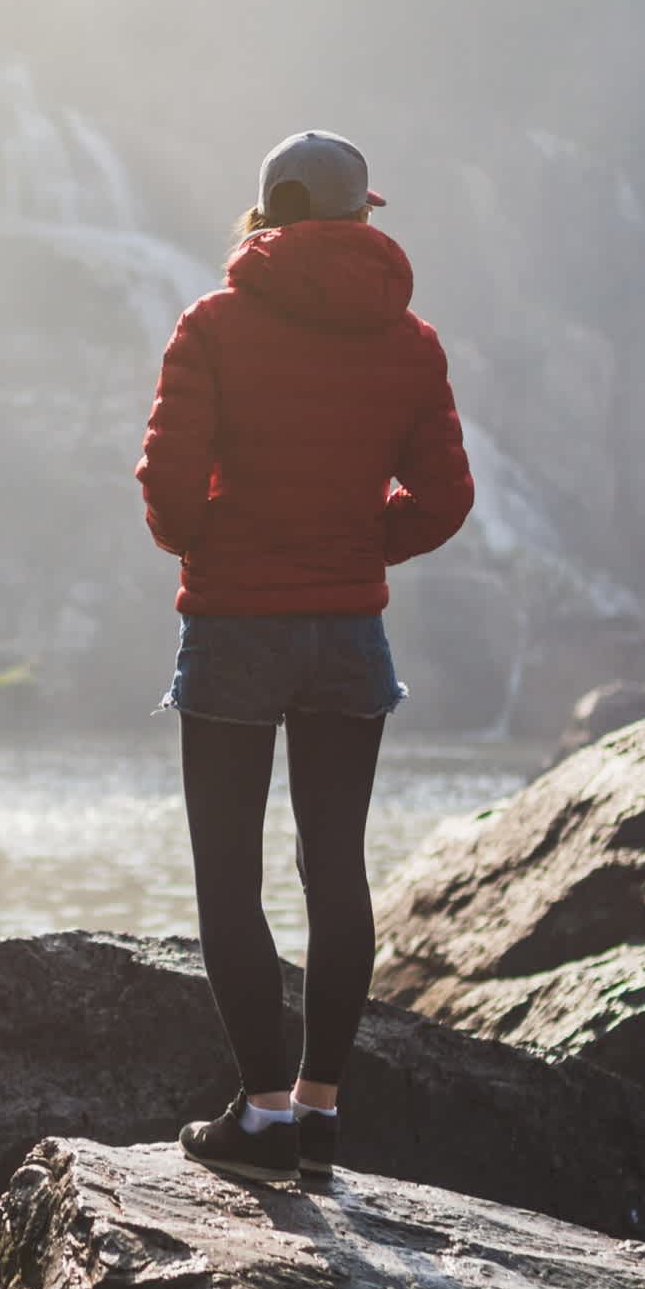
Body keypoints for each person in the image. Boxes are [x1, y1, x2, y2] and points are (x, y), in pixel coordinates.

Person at [136, 130, 473, 1189]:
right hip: (348, 633)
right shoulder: (408, 340)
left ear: (268, 209)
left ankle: (263, 1113)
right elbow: (446, 499)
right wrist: (360, 544)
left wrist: (211, 544)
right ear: (352, 216)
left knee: (227, 875)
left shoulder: (214, 324)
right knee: (336, 867)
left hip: (235, 622)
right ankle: (323, 1110)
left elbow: (167, 481)